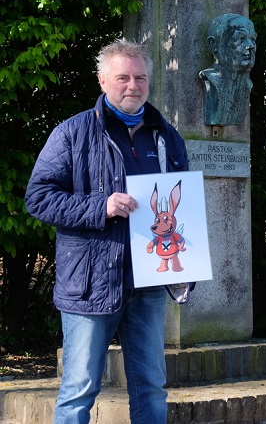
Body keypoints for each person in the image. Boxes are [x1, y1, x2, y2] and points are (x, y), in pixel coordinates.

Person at [25, 39, 190, 423]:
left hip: (148, 285)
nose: (133, 85)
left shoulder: (168, 137)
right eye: (123, 77)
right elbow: (38, 197)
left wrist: (186, 270)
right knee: (79, 391)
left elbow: (183, 212)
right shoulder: (72, 133)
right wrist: (101, 206)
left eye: (141, 77)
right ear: (102, 81)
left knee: (151, 388)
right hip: (90, 284)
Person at [199, 13, 257, 126]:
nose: (251, 46)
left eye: (253, 39)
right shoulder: (210, 80)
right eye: (241, 38)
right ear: (213, 45)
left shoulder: (246, 85)